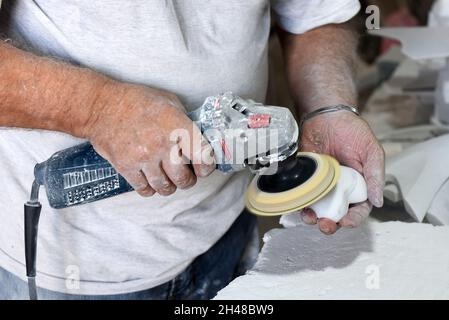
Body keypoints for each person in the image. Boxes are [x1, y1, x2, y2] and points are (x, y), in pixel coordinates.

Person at [0, 0, 384, 299]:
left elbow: (317, 13)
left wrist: (329, 108)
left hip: (228, 227)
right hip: (84, 266)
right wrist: (99, 109)